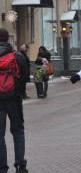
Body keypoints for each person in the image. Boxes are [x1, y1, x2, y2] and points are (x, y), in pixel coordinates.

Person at [0, 28, 29, 173]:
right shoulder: (17, 56)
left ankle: (2, 168)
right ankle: (20, 165)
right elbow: (25, 76)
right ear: (7, 39)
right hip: (13, 98)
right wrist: (20, 92)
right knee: (18, 131)